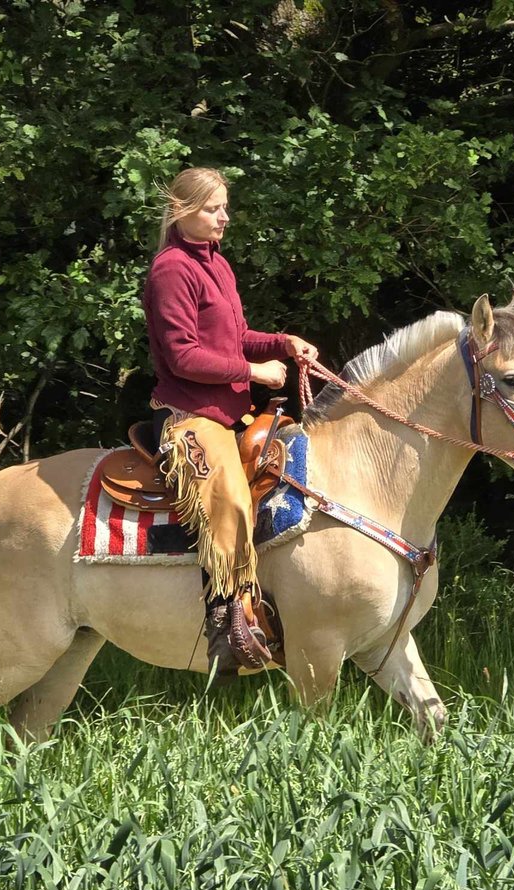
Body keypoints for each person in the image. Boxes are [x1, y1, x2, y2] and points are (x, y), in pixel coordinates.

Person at [141, 167, 318, 676]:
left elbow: (235, 336)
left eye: (225, 207)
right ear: (182, 211)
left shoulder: (217, 264)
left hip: (231, 415)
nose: (224, 217)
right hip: (189, 418)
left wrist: (283, 344)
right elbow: (181, 357)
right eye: (213, 208)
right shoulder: (172, 269)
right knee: (231, 498)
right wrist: (253, 371)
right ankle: (226, 625)